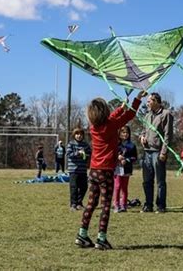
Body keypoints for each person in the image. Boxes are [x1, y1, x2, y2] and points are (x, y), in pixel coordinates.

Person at [75, 90, 147, 250]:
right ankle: (101, 238)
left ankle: (82, 234)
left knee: (90, 204)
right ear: (105, 112)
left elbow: (114, 117)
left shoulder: (93, 127)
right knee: (106, 204)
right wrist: (137, 99)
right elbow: (130, 115)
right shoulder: (111, 126)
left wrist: (121, 107)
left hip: (93, 170)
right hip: (106, 171)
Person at [139, 92, 173, 214]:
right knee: (147, 181)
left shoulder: (166, 114)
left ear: (157, 102)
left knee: (160, 181)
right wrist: (142, 137)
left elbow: (168, 135)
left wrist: (163, 152)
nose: (147, 103)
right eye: (147, 101)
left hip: (158, 152)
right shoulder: (147, 115)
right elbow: (144, 130)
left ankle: (161, 206)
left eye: (150, 101)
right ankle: (148, 205)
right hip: (147, 152)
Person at [113, 125, 137, 213]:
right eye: (123, 132)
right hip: (117, 169)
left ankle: (124, 205)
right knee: (117, 186)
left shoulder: (132, 145)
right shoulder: (116, 144)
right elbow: (111, 155)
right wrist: (117, 157)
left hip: (127, 169)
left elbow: (134, 158)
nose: (125, 134)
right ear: (119, 134)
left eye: (127, 132)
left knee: (124, 188)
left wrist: (127, 160)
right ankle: (116, 205)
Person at [67, 127, 91, 211]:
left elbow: (89, 154)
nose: (79, 136)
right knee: (74, 187)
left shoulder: (86, 145)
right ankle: (73, 204)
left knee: (84, 187)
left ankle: (79, 203)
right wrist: (78, 153)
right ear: (74, 135)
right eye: (77, 134)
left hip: (82, 170)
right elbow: (69, 154)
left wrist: (85, 155)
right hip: (73, 170)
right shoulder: (71, 144)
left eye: (80, 134)